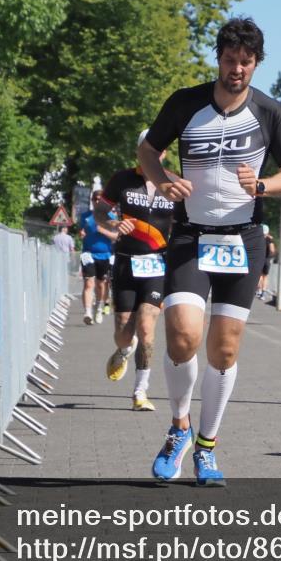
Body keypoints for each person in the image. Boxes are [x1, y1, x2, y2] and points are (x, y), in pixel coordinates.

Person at [138, 17, 281, 485]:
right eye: (230, 60)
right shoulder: (185, 103)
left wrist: (264, 185)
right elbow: (148, 152)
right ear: (219, 58)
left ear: (256, 64)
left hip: (242, 240)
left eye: (246, 62)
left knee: (224, 350)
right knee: (182, 336)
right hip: (191, 236)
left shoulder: (269, 112)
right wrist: (162, 181)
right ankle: (179, 429)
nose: (237, 69)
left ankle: (207, 447)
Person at [96, 131, 177, 411]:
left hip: (158, 265)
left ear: (164, 154)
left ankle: (140, 391)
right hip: (126, 262)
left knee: (146, 327)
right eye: (147, 150)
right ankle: (124, 348)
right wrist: (113, 223)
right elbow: (100, 212)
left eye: (159, 150)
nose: (154, 155)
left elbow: (184, 224)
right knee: (123, 330)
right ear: (138, 152)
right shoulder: (122, 180)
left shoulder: (174, 183)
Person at [79, 190, 118, 325]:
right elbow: (81, 231)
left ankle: (99, 307)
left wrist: (103, 231)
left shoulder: (111, 217)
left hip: (105, 255)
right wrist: (82, 234)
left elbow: (116, 237)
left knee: (101, 284)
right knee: (89, 283)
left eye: (100, 199)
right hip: (88, 253)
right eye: (95, 199)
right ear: (92, 200)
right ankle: (88, 312)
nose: (97, 201)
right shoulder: (85, 217)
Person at [257, 224, 276, 299]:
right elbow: (272, 250)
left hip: (259, 259)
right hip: (267, 259)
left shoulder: (258, 238)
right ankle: (263, 294)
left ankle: (259, 291)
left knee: (259, 276)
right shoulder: (269, 239)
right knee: (265, 276)